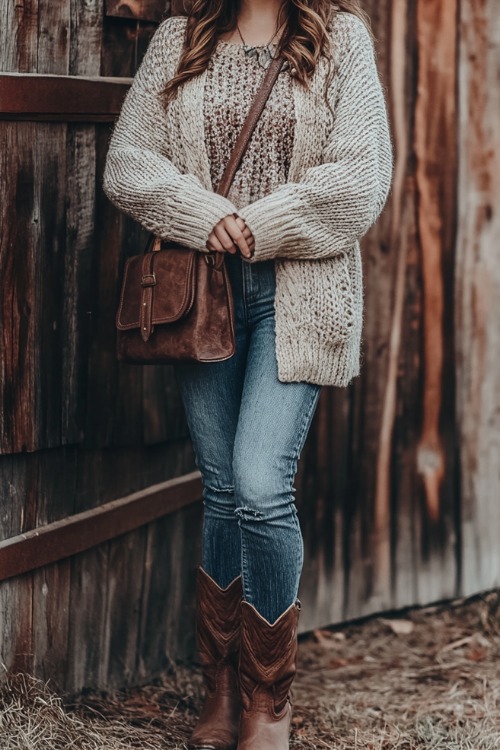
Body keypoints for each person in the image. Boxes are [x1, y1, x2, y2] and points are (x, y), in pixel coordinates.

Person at [103, 0, 393, 747]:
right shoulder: (180, 40)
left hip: (297, 295)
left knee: (262, 483)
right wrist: (205, 213)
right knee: (225, 490)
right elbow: (129, 161)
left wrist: (261, 224)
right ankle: (221, 687)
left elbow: (362, 176)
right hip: (204, 297)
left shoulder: (340, 38)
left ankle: (270, 702)